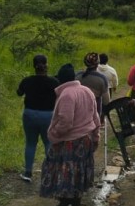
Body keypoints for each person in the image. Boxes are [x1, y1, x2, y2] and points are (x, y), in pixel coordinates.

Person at [40, 64, 101, 206]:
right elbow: (95, 116)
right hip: (85, 139)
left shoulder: (67, 95)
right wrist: (96, 136)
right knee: (78, 173)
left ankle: (65, 201)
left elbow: (66, 123)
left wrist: (53, 134)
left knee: (65, 172)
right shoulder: (87, 91)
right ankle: (75, 201)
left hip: (69, 142)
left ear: (60, 80)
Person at [16, 54, 60, 182]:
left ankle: (28, 172)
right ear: (46, 65)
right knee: (48, 143)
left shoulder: (27, 80)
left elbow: (19, 93)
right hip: (47, 115)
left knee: (30, 143)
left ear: (34, 66)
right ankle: (51, 173)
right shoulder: (54, 82)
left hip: (29, 114)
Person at [74, 52, 110, 116]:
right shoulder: (102, 79)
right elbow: (106, 101)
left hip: (77, 111)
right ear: (98, 64)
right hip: (94, 113)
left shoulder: (77, 75)